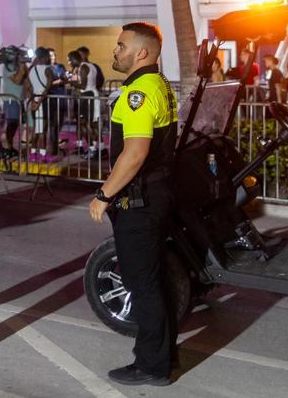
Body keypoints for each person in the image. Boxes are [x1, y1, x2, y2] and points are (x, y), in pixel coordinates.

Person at [89, 22, 178, 386]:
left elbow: (135, 153)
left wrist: (104, 195)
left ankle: (152, 366)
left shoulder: (138, 92)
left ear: (141, 52)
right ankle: (163, 356)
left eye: (122, 45)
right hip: (156, 196)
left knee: (142, 284)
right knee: (154, 281)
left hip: (138, 202)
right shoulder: (158, 85)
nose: (115, 51)